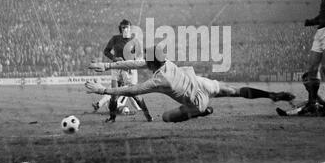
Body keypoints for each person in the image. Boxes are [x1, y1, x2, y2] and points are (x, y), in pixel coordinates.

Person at [86, 45, 295, 123]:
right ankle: (271, 95)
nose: (143, 62)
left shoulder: (159, 79)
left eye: (146, 60)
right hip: (199, 82)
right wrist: (106, 66)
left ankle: (201, 113)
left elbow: (133, 89)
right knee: (236, 91)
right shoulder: (165, 62)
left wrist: (102, 90)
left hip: (197, 102)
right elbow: (137, 63)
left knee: (167, 118)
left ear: (151, 62)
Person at [92, 19, 152, 122]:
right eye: (123, 27)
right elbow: (106, 51)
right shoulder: (115, 39)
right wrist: (114, 58)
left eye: (127, 27)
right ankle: (112, 118)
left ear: (130, 28)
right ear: (120, 28)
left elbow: (139, 56)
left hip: (129, 70)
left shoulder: (135, 40)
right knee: (114, 94)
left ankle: (148, 116)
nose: (125, 29)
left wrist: (132, 60)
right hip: (116, 68)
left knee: (135, 95)